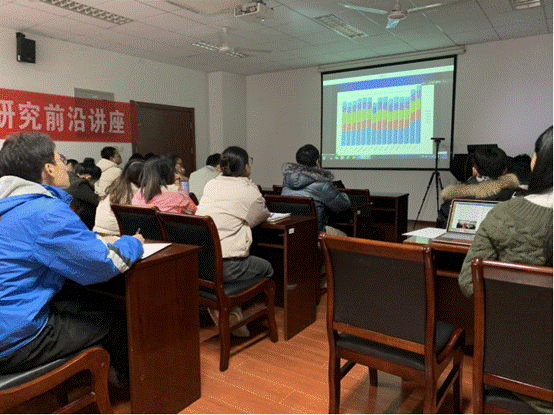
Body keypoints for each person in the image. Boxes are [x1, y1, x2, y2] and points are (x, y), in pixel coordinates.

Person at [0, 131, 144, 378]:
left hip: (10, 318)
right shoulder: (44, 210)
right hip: (14, 340)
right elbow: (104, 263)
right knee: (116, 323)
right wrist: (133, 242)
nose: (67, 167)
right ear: (49, 169)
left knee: (83, 303)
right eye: (62, 160)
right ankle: (127, 386)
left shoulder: (11, 204)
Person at [458, 126, 553, 413]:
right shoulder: (507, 194)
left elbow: (468, 283)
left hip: (510, 365)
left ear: (536, 162)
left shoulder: (502, 215)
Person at [196, 146, 273, 337]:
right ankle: (229, 306)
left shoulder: (211, 184)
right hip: (227, 266)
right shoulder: (249, 191)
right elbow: (258, 217)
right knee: (267, 268)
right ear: (246, 166)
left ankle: (229, 308)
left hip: (201, 264)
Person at [436, 147, 520, 228]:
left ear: (474, 170)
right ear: (505, 170)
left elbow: (441, 226)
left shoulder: (453, 197)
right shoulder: (516, 195)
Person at [281, 144, 351, 235]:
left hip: (291, 234)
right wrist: (344, 195)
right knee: (345, 237)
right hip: (315, 234)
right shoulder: (322, 183)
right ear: (317, 161)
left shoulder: (287, 180)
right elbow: (343, 205)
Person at [93, 159, 145, 235]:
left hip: (98, 231)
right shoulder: (133, 192)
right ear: (141, 177)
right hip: (116, 233)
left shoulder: (117, 185)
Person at [132, 155, 196, 214]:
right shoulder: (178, 197)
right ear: (170, 174)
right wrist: (179, 189)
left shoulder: (139, 194)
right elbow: (193, 211)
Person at [66, 157, 101, 230]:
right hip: (82, 223)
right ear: (88, 177)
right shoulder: (80, 184)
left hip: (68, 219)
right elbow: (97, 201)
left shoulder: (69, 178)